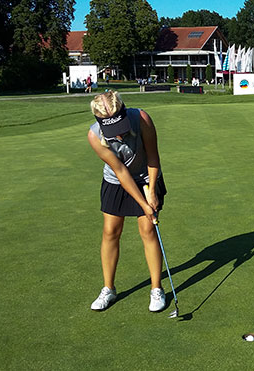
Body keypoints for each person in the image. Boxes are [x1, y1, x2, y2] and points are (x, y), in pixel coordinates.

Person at [86, 91, 168, 312]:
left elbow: (153, 156)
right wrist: (142, 204)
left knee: (148, 229)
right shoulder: (94, 136)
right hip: (115, 180)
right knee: (110, 231)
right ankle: (108, 289)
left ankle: (156, 289)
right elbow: (120, 171)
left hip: (146, 175)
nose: (120, 135)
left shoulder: (141, 119)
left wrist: (151, 192)